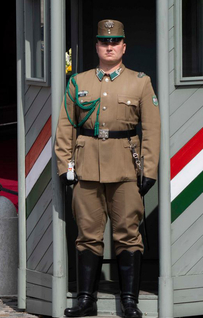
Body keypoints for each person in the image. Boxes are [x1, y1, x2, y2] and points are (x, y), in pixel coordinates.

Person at [55, 19, 159, 318]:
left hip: (126, 167)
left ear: (124, 46)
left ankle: (129, 301)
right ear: (97, 46)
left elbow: (151, 128)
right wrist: (65, 166)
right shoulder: (79, 82)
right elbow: (65, 127)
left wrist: (148, 170)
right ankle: (86, 301)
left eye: (115, 42)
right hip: (86, 168)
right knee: (87, 234)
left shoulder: (140, 82)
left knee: (128, 234)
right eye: (104, 42)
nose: (109, 47)